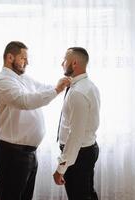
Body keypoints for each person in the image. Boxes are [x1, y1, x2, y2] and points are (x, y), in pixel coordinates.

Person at [0, 41, 70, 200]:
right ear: (9, 57)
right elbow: (25, 101)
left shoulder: (23, 78)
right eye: (23, 58)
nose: (27, 62)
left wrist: (61, 85)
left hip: (28, 153)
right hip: (12, 153)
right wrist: (56, 90)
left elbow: (42, 88)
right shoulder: (2, 81)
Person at [53, 47, 100, 200]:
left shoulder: (78, 93)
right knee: (87, 194)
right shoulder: (88, 86)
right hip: (85, 150)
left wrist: (61, 167)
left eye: (64, 60)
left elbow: (76, 135)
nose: (61, 63)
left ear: (74, 63)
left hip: (79, 154)